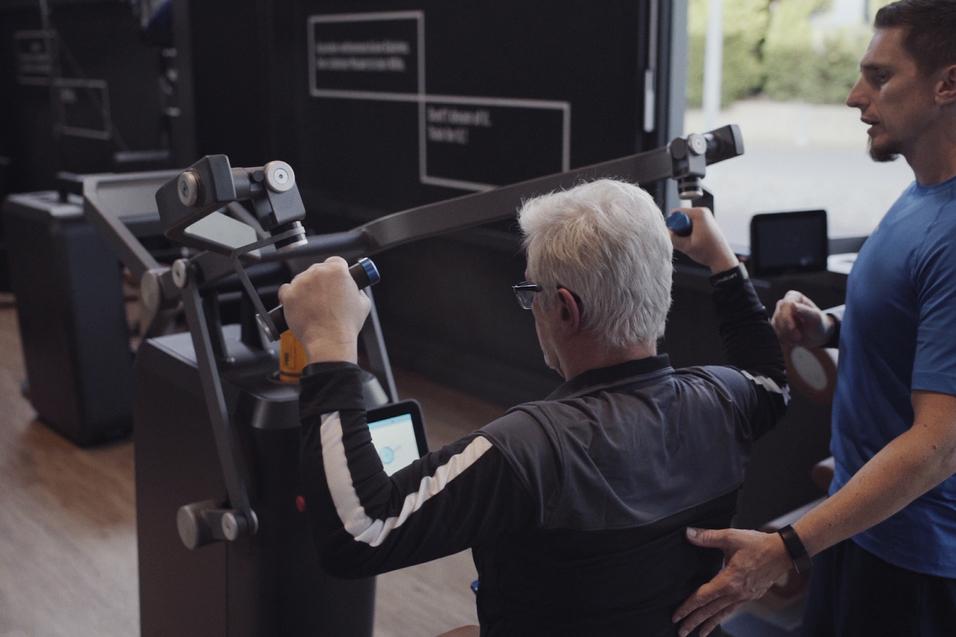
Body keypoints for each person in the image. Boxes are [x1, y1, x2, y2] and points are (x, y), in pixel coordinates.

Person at [279, 179, 789, 636]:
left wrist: (331, 343)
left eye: (531, 293)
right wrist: (724, 265)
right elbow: (772, 378)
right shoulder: (725, 398)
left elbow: (360, 532)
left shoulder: (527, 448)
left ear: (565, 308)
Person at [672, 2, 956, 636]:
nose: (856, 97)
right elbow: (914, 320)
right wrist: (828, 325)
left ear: (947, 85)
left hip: (915, 556)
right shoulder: (920, 191)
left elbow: (941, 445)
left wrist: (787, 546)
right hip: (859, 520)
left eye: (880, 78)